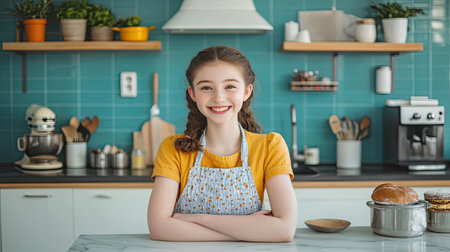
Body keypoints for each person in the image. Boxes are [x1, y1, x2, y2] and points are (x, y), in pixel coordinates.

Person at [147, 46, 297, 242]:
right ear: (193, 93)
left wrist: (197, 219)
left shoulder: (270, 147)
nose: (218, 98)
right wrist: (250, 230)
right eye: (206, 87)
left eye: (230, 86)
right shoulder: (173, 148)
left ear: (246, 91)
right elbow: (159, 228)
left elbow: (284, 230)